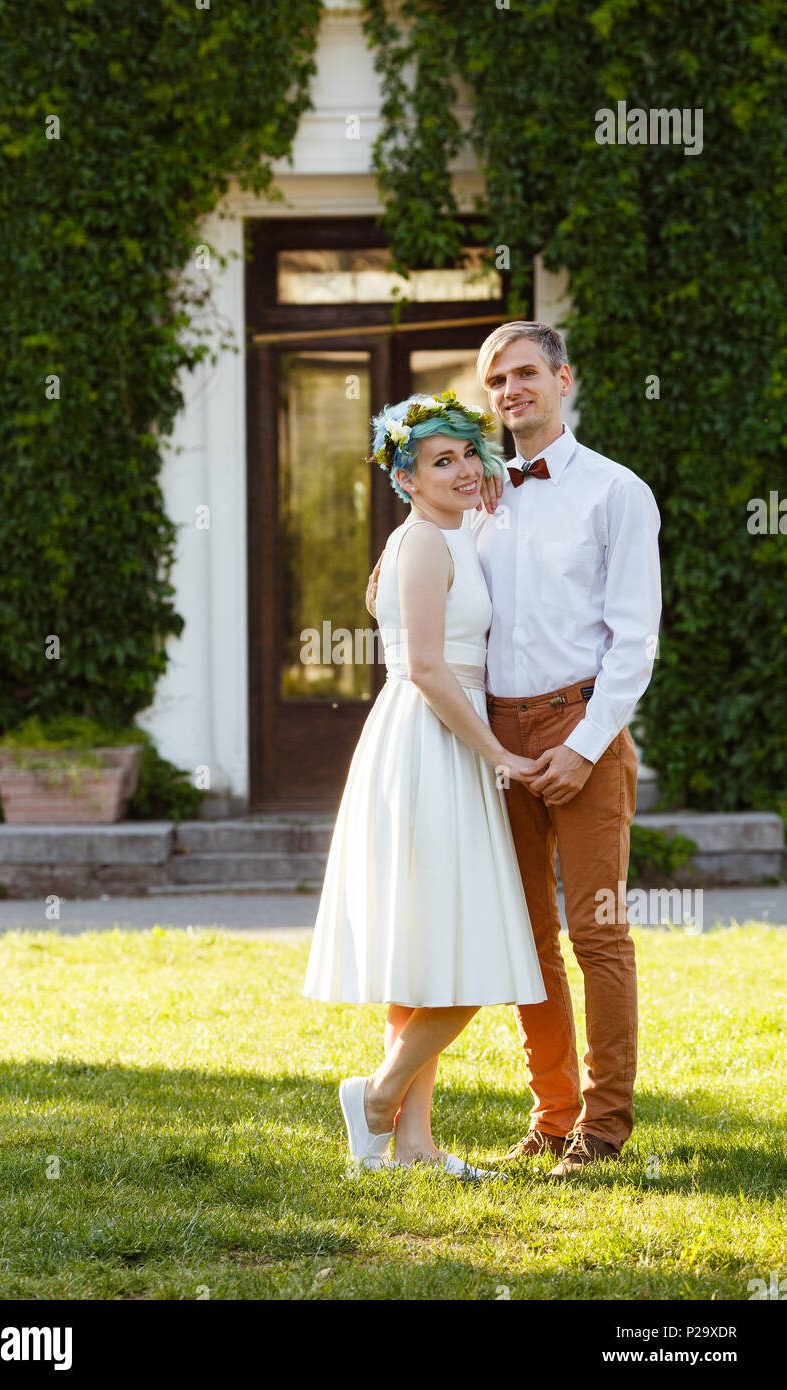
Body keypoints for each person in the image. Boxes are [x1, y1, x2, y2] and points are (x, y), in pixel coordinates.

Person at [366, 323, 662, 1177]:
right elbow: (422, 597)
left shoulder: (616, 493)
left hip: (582, 728)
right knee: (526, 937)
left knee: (596, 932)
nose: (511, 390)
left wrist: (587, 742)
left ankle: (603, 1128)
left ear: (564, 379)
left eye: (527, 372)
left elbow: (634, 642)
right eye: (497, 379)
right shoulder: (472, 494)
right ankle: (553, 1112)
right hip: (491, 738)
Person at [302, 391, 546, 1178]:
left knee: (431, 949)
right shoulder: (419, 547)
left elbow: (483, 503)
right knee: (468, 950)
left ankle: (412, 1145)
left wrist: (491, 481)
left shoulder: (453, 533)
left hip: (451, 739)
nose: (466, 470)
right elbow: (432, 670)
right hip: (431, 744)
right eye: (444, 461)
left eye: (470, 454)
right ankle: (375, 1100)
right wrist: (500, 755)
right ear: (404, 478)